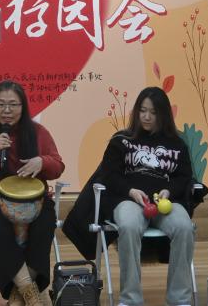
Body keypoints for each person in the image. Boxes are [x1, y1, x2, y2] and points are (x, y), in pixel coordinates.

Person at [70, 86, 194, 306]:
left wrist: (169, 191)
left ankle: (179, 299)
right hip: (128, 200)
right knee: (128, 226)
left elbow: (184, 177)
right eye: (143, 110)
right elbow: (109, 175)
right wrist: (130, 191)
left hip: (165, 201)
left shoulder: (177, 144)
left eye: (153, 112)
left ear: (163, 114)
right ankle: (130, 299)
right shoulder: (121, 140)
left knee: (184, 227)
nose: (146, 117)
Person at [0, 81, 65, 306]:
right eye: (0, 104)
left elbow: (58, 166)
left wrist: (42, 162)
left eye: (13, 104)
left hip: (36, 202)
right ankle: (31, 295)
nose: (7, 110)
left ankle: (17, 296)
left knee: (44, 226)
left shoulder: (39, 133)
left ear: (23, 107)